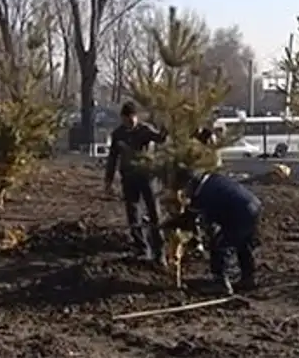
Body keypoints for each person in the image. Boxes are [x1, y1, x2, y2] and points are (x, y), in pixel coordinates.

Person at [175, 167, 262, 295]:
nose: (185, 192)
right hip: (253, 206)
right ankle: (248, 278)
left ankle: (221, 283)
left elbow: (192, 218)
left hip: (240, 213)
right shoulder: (213, 179)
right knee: (243, 244)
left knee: (220, 245)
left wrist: (173, 223)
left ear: (190, 183)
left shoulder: (203, 193)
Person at [104, 102, 168, 262]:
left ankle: (159, 251)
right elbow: (112, 159)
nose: (130, 122)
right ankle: (141, 248)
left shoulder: (144, 130)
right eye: (127, 120)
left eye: (132, 119)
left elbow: (160, 139)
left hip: (147, 177)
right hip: (128, 178)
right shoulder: (118, 134)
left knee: (154, 213)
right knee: (133, 213)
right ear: (122, 118)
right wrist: (108, 181)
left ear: (136, 117)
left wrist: (166, 125)